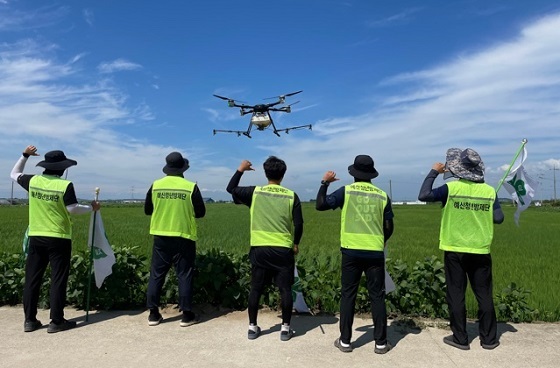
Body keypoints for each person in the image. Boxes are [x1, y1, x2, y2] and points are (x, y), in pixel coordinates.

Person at [418, 147, 504, 350]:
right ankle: (489, 339)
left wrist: (433, 172)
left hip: (455, 249)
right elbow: (498, 218)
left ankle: (460, 338)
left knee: (456, 294)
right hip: (481, 250)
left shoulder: (452, 189)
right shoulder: (490, 191)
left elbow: (424, 195)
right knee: (484, 294)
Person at [10, 145, 100, 333]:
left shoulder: (32, 181)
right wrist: (92, 208)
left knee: (32, 279)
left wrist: (25, 155)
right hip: (58, 237)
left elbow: (14, 173)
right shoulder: (64, 185)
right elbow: (72, 209)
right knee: (58, 279)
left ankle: (29, 320)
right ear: (62, 168)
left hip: (36, 236)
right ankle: (56, 321)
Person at [316, 155, 393, 354]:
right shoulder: (382, 195)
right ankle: (381, 343)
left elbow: (321, 204)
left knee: (348, 295)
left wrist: (325, 183)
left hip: (351, 251)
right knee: (377, 296)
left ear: (354, 174)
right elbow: (389, 226)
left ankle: (345, 341)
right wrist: (381, 240)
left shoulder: (346, 191)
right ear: (371, 175)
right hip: (375, 252)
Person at [226, 156, 303, 341]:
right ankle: (285, 329)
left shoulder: (255, 192)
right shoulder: (291, 195)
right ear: (283, 175)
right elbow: (299, 224)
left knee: (256, 289)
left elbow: (231, 189)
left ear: (265, 172)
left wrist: (241, 169)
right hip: (283, 249)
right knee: (285, 289)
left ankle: (252, 328)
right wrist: (296, 243)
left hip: (260, 248)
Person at [144, 152, 206, 327]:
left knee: (156, 275)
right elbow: (200, 212)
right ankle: (187, 315)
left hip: (161, 236)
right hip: (183, 236)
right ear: (183, 169)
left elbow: (148, 210)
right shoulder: (190, 186)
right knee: (184, 275)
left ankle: (153, 314)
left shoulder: (155, 185)